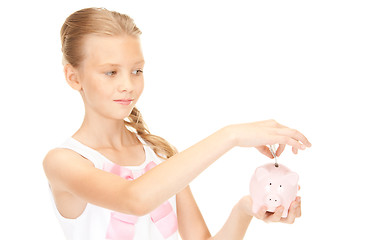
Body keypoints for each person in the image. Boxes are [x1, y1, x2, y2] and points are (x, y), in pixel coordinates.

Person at [43, 7, 311, 240]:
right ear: (73, 77)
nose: (127, 85)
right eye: (111, 72)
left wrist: (247, 208)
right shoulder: (64, 162)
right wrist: (231, 135)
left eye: (136, 70)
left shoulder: (160, 156)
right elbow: (134, 199)